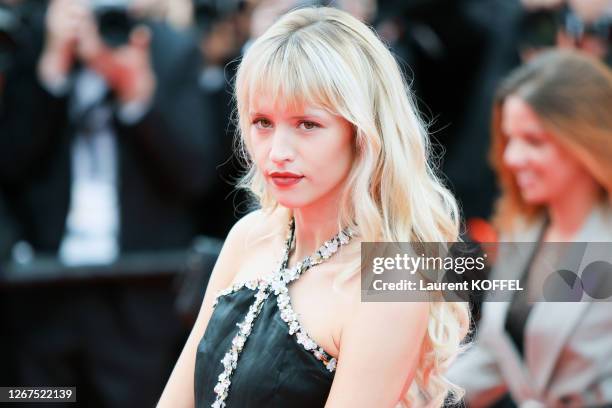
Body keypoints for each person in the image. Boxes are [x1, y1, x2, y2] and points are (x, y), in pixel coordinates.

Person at [158, 6, 469, 408]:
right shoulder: (250, 235)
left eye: (308, 124)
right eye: (262, 123)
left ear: (362, 133)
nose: (278, 152)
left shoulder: (393, 279)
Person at [0, 0, 220, 406]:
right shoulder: (37, 43)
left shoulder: (170, 50)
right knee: (34, 398)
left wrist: (139, 100)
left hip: (139, 298)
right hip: (43, 293)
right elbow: (10, 165)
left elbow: (195, 176)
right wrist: (51, 75)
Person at [447, 49, 612, 407]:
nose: (511, 158)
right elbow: (493, 357)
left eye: (533, 141)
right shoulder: (526, 229)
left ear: (586, 140)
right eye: (510, 139)